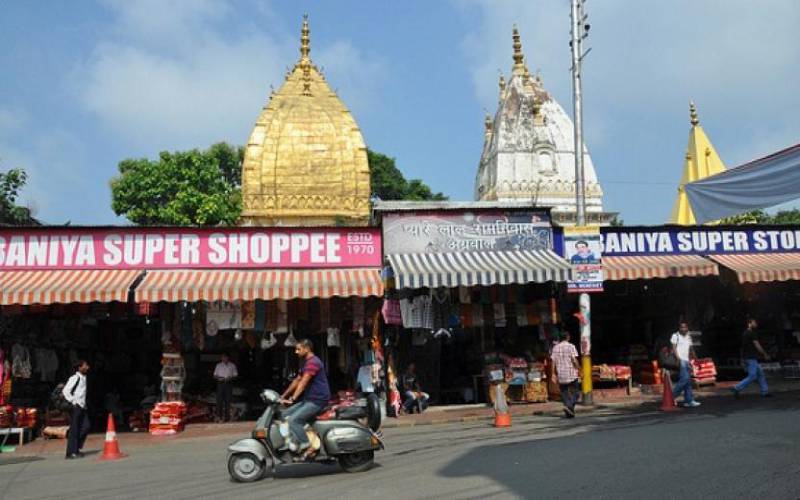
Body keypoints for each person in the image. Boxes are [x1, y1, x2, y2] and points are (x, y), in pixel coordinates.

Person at [281, 339, 331, 460]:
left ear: (307, 348)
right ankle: (299, 438)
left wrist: (293, 398)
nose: (296, 352)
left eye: (299, 349)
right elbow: (297, 380)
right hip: (309, 399)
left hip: (318, 400)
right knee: (284, 414)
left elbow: (303, 382)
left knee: (294, 421)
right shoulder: (305, 362)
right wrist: (283, 396)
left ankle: (307, 445)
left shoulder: (313, 362)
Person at [732, 318, 771, 398]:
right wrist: (765, 354)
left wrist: (742, 358)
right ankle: (737, 388)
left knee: (760, 374)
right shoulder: (751, 333)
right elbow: (757, 345)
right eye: (754, 322)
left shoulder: (745, 333)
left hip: (749, 357)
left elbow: (743, 347)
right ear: (749, 323)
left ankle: (765, 391)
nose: (756, 324)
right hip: (751, 357)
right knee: (753, 376)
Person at [63, 360, 90, 459]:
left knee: (86, 426)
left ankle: (76, 448)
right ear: (79, 367)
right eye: (85, 365)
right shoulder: (75, 378)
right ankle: (71, 452)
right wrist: (73, 401)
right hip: (76, 407)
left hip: (82, 406)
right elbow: (66, 391)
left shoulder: (84, 378)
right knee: (74, 429)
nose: (87, 367)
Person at [551, 331, 582, 418]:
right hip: (571, 373)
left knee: (564, 394)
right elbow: (574, 360)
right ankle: (569, 406)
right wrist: (580, 370)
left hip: (561, 374)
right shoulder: (571, 346)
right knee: (576, 393)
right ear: (568, 337)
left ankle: (569, 413)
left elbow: (553, 361)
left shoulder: (555, 348)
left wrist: (553, 373)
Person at [671, 322, 701, 408]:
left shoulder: (688, 337)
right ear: (679, 328)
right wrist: (678, 358)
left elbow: (691, 349)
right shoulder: (675, 336)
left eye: (685, 327)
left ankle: (688, 401)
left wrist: (696, 360)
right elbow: (673, 348)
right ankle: (671, 397)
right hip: (681, 360)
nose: (683, 329)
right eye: (682, 327)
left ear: (687, 328)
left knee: (688, 381)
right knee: (684, 379)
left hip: (687, 361)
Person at [213, 353, 238, 422]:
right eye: (222, 357)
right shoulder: (218, 365)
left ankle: (227, 417)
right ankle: (219, 417)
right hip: (220, 383)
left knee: (228, 400)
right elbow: (215, 375)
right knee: (219, 400)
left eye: (225, 357)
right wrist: (219, 378)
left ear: (228, 358)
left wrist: (230, 378)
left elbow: (235, 375)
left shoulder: (232, 365)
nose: (224, 359)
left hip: (228, 383)